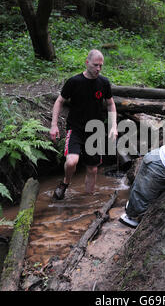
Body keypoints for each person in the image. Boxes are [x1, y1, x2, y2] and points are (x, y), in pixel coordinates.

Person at [50, 49, 118, 199]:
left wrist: (114, 126)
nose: (98, 69)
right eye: (95, 65)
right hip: (75, 128)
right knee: (72, 161)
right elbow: (59, 101)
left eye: (101, 66)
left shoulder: (104, 82)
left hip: (95, 130)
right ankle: (65, 183)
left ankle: (88, 200)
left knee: (93, 169)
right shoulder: (74, 81)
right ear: (87, 63)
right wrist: (54, 125)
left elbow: (111, 104)